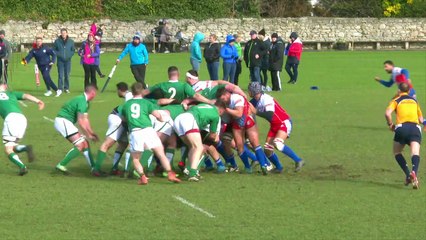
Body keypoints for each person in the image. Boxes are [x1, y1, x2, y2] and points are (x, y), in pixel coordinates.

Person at [121, 82, 180, 185]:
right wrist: (162, 119)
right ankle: (170, 173)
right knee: (161, 153)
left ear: (132, 91)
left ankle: (143, 177)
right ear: (142, 91)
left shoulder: (126, 105)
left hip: (135, 132)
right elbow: (157, 115)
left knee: (136, 158)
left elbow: (124, 119)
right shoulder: (146, 103)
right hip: (148, 130)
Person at [248, 82, 305, 172]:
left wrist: (256, 112)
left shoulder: (266, 99)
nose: (248, 92)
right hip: (274, 125)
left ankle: (298, 160)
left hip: (284, 122)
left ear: (253, 91)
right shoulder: (255, 101)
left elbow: (270, 115)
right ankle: (279, 167)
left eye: (249, 90)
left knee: (278, 143)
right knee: (267, 149)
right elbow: (247, 107)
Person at [216, 87, 270, 174]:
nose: (223, 101)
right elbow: (227, 119)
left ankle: (263, 165)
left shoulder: (236, 98)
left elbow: (239, 113)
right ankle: (246, 167)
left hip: (246, 120)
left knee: (253, 143)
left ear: (227, 94)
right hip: (236, 123)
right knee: (236, 144)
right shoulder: (224, 103)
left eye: (223, 98)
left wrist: (226, 110)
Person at [385, 83, 425, 189]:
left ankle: (408, 174)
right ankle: (414, 173)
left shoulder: (396, 100)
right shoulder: (414, 101)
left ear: (399, 91)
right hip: (415, 128)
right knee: (415, 153)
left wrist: (390, 125)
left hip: (402, 129)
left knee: (397, 152)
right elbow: (421, 119)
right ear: (409, 91)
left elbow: (387, 113)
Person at [174, 101, 226, 181]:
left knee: (192, 147)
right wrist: (215, 138)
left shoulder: (204, 105)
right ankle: (193, 173)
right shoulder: (216, 116)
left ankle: (188, 168)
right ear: (221, 110)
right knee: (199, 148)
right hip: (189, 120)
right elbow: (213, 136)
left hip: (178, 119)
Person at [0, 82, 44, 175]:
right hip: (21, 118)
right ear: (4, 87)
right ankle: (25, 148)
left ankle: (22, 167)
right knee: (12, 146)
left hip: (10, 119)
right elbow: (26, 96)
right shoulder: (11, 93)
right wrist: (38, 101)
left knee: (8, 149)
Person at [54, 84, 99, 174]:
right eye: (96, 94)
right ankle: (61, 165)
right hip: (63, 121)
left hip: (66, 122)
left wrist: (91, 133)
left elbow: (85, 119)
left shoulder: (86, 102)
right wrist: (88, 135)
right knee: (80, 145)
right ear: (93, 93)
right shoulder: (82, 101)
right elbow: (80, 121)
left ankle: (94, 168)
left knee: (85, 144)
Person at [92, 82, 133, 176]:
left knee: (123, 143)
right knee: (108, 143)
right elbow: (126, 113)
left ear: (119, 90)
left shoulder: (128, 95)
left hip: (118, 118)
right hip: (118, 119)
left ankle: (114, 168)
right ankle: (96, 169)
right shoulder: (130, 96)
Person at [142, 66, 214, 105]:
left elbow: (145, 92)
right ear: (178, 75)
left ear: (168, 75)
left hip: (165, 109)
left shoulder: (161, 85)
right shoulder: (184, 85)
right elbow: (196, 96)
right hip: (180, 109)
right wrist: (209, 101)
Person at [53, 28, 75, 93]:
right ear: (61, 34)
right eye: (62, 33)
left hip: (68, 61)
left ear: (67, 33)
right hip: (60, 60)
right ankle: (60, 88)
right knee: (60, 74)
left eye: (64, 33)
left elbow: (73, 50)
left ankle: (66, 88)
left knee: (67, 75)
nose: (63, 34)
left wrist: (69, 55)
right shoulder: (57, 41)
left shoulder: (71, 41)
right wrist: (58, 54)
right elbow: (54, 50)